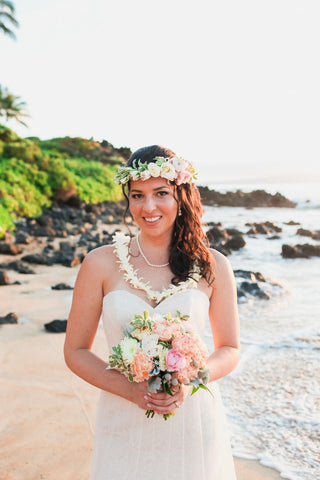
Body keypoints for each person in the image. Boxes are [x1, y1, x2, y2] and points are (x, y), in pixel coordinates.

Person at [64, 145, 240, 480]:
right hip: (123, 415)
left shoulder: (213, 265)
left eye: (161, 193)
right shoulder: (99, 264)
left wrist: (190, 380)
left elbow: (230, 349)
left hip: (193, 419)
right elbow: (75, 351)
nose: (148, 207)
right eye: (137, 195)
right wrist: (132, 390)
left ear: (180, 196)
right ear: (127, 199)